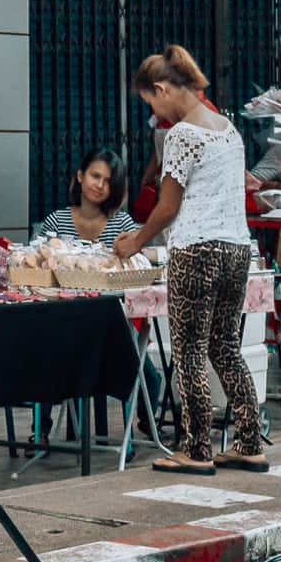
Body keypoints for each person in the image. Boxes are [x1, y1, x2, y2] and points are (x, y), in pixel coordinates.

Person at [114, 44, 266, 476]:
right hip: (238, 248)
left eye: (152, 101)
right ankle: (249, 441)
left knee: (190, 350)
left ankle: (196, 447)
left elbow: (168, 205)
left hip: (197, 250)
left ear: (162, 88)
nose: (156, 111)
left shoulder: (181, 134)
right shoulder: (228, 129)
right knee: (225, 347)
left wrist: (136, 241)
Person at [35, 148, 136, 246]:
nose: (100, 185)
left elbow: (138, 260)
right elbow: (39, 258)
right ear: (80, 176)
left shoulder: (122, 224)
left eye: (108, 181)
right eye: (95, 176)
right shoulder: (56, 222)